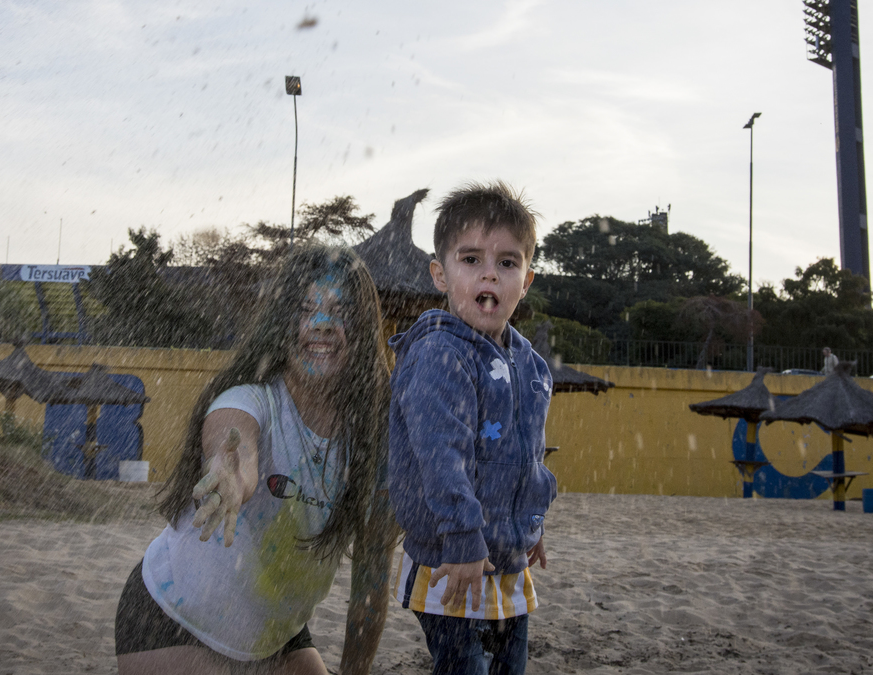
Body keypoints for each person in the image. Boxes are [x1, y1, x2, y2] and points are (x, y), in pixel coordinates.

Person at [115, 244, 397, 675]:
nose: (321, 325)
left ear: (361, 329)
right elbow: (233, 441)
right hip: (169, 620)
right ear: (282, 323)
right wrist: (227, 471)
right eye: (305, 309)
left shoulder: (375, 436)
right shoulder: (252, 399)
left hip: (277, 637)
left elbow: (371, 585)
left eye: (340, 312)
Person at [387, 182, 556, 675]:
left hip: (506, 557)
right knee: (463, 667)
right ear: (440, 274)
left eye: (507, 262)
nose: (489, 272)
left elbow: (530, 454)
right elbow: (441, 454)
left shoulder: (530, 364)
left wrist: (531, 520)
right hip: (453, 556)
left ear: (526, 281)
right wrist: (462, 536)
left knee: (510, 665)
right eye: (470, 260)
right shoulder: (441, 352)